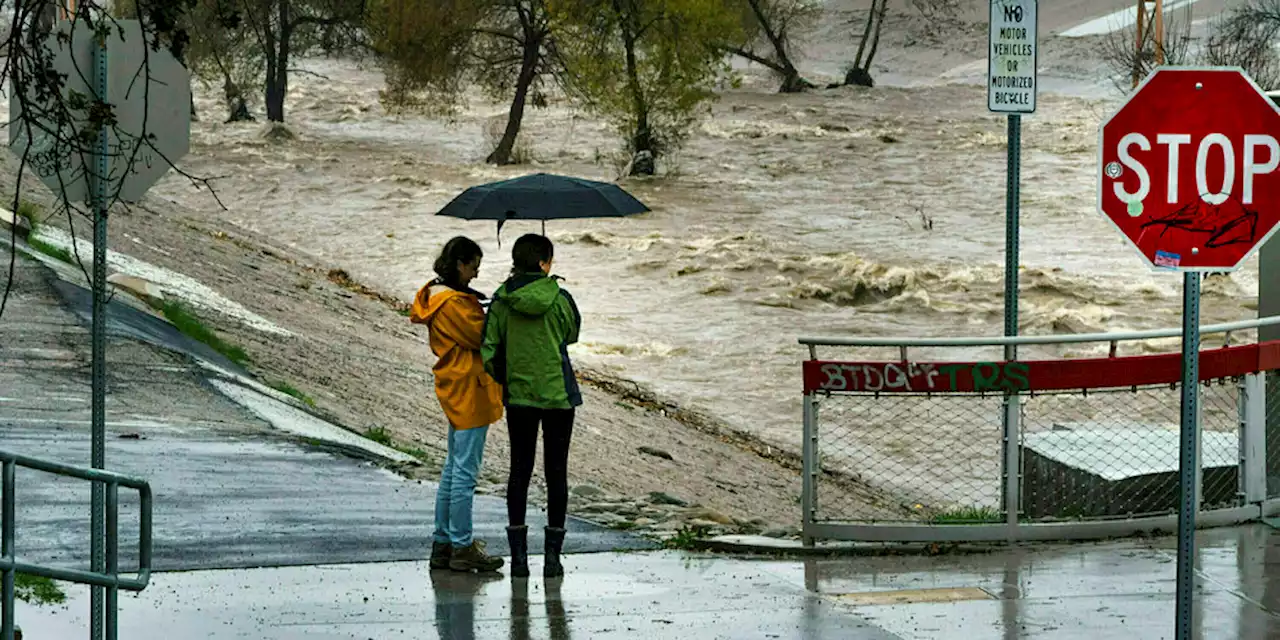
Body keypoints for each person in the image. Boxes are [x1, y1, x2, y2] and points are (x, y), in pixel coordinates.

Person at [481, 234, 582, 578]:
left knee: (519, 470)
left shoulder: (501, 300)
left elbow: (490, 349)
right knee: (557, 472)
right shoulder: (561, 298)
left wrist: (508, 379)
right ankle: (552, 559)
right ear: (543, 264)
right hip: (558, 396)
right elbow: (572, 334)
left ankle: (519, 560)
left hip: (520, 397)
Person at [411, 236, 505, 573]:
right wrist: (497, 309)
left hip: (455, 383)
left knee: (453, 469)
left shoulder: (437, 296)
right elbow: (483, 337)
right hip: (470, 387)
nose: (476, 274)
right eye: (474, 266)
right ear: (460, 263)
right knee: (465, 472)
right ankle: (462, 546)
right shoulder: (455, 304)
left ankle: (444, 543)